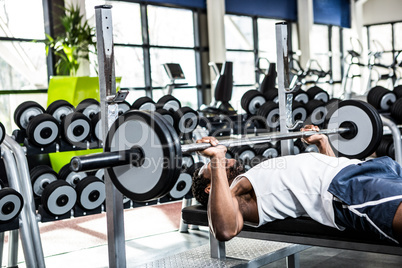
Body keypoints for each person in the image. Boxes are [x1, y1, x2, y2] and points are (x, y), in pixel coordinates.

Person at [191, 125, 402, 244]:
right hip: (348, 190)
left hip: (361, 169)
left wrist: (322, 143)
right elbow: (224, 230)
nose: (228, 159)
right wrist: (215, 160)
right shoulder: (235, 195)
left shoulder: (249, 178)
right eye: (207, 167)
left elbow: (327, 168)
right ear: (209, 188)